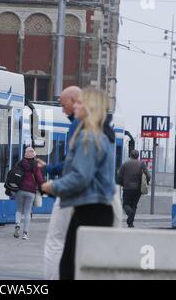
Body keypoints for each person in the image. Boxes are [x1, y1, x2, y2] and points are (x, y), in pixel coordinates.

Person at [42, 88, 115, 280]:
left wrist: (52, 187)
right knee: (84, 267)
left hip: (90, 208)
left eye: (80, 103)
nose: (75, 106)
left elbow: (81, 175)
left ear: (89, 107)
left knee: (69, 265)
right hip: (96, 208)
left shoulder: (87, 136)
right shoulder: (100, 134)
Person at [37, 86, 80, 280]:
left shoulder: (78, 127)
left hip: (71, 195)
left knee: (55, 242)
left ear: (75, 101)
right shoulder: (94, 127)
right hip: (84, 196)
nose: (62, 110)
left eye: (64, 105)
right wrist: (49, 169)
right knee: (72, 243)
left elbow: (75, 168)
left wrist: (54, 187)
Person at [14, 147, 44, 240]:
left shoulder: (19, 163)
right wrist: (42, 189)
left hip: (20, 189)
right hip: (31, 191)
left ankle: (17, 224)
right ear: (34, 156)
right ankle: (25, 234)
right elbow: (39, 179)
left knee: (19, 210)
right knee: (27, 212)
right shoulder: (35, 165)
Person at [117, 150, 151, 228]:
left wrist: (121, 184)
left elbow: (119, 176)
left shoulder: (125, 164)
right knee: (134, 205)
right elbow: (148, 176)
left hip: (127, 188)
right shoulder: (142, 164)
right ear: (138, 156)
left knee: (125, 204)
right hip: (137, 189)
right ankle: (130, 223)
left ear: (130, 155)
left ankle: (129, 213)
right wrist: (146, 183)